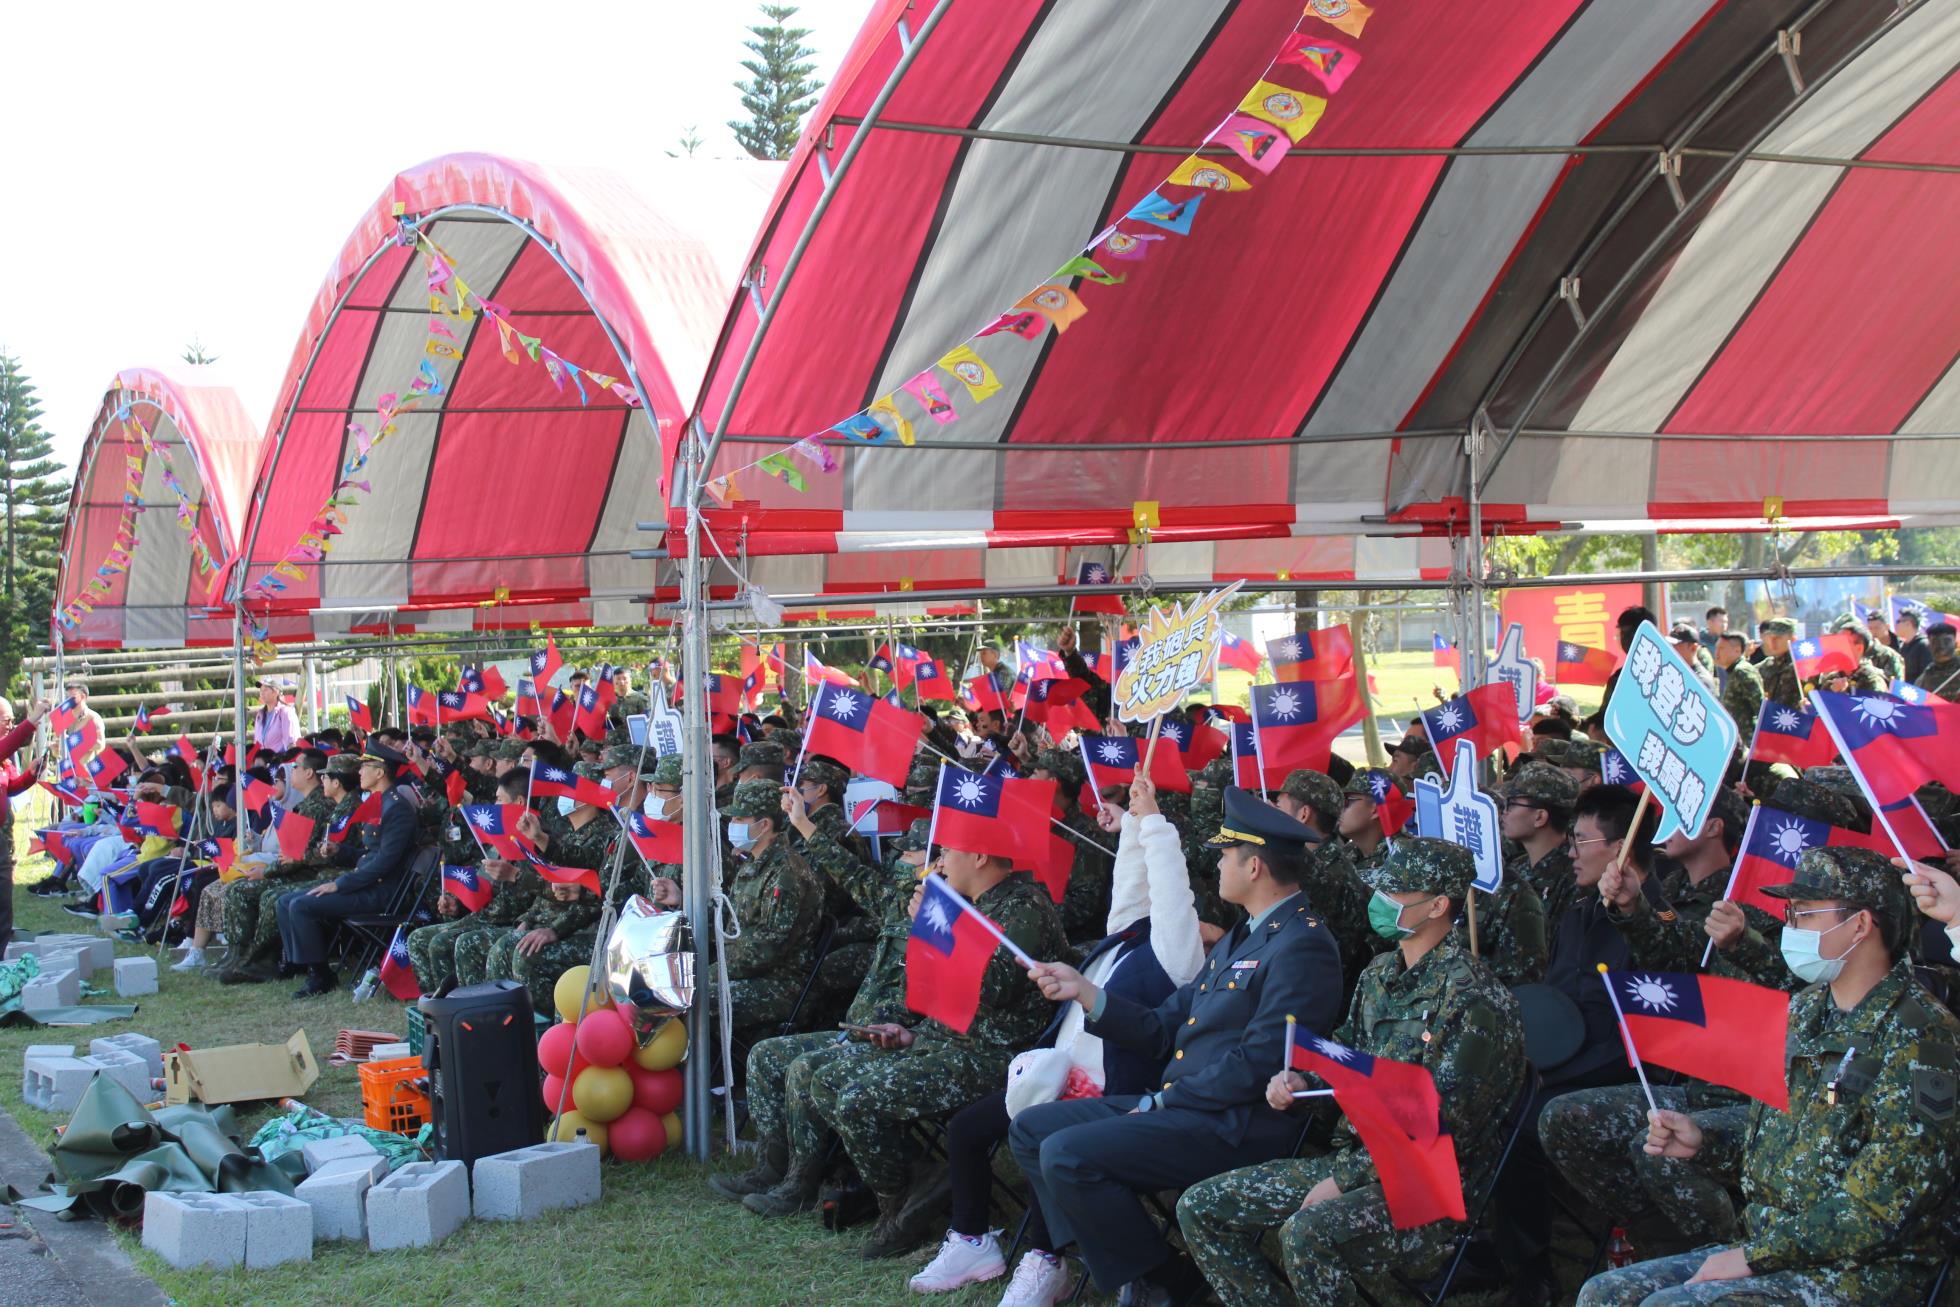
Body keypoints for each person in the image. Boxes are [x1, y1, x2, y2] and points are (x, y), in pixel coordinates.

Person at [1576, 846, 1960, 1306]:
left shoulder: (1920, 1038)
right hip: (1779, 1248)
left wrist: (1755, 1257)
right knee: (1606, 1293)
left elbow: (1883, 1209)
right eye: (1790, 913)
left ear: (1860, 924)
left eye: (1805, 914)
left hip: (1862, 1273)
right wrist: (1704, 1142)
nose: (1790, 928)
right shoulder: (1805, 1010)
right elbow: (1784, 1136)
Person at [1009, 789, 1345, 1305]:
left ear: (1254, 866)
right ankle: (1148, 1268)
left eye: (1225, 854)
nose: (1217, 863)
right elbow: (1165, 1026)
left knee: (1067, 1155)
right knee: (1032, 1129)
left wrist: (1162, 1101)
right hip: (1187, 1106)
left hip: (1236, 1123)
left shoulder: (1302, 944)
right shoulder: (1245, 935)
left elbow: (1261, 1064)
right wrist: (1086, 991)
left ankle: (1158, 1280)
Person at [1177, 838, 1526, 1307]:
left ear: (1438, 905)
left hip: (1430, 1186)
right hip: (1362, 1158)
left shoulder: (1474, 999)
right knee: (1200, 1207)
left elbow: (1437, 1126)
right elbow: (1346, 1060)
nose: (1378, 903)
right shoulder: (1380, 973)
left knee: (1306, 1234)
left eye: (1393, 893)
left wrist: (1343, 1178)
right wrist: (1303, 1082)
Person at [907, 771, 1205, 1299]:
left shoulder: (1177, 955)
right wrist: (1134, 822)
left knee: (1045, 1137)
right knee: (967, 1131)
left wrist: (1155, 822)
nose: (1152, 901)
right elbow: (1132, 884)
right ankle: (973, 1240)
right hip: (1057, 1075)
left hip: (1118, 1090)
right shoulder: (1127, 935)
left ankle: (1048, 1259)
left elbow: (1168, 889)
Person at [789, 806, 1065, 1258]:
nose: (938, 860)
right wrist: (911, 1031)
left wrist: (939, 928)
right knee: (826, 1080)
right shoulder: (970, 905)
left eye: (947, 850)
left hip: (996, 1058)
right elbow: (946, 992)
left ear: (978, 856)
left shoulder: (1025, 909)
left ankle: (907, 1204)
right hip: (944, 1042)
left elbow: (995, 987)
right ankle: (911, 1188)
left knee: (859, 1099)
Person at [274, 741, 419, 997]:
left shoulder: (396, 808)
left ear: (380, 772)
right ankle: (303, 965)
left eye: (366, 767)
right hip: (367, 882)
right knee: (285, 901)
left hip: (383, 891)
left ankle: (320, 976)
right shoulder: (381, 802)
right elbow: (370, 854)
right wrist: (340, 852)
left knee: (301, 905)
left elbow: (385, 863)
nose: (360, 772)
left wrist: (340, 884)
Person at [1274, 769, 1374, 989]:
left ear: (1304, 814)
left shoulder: (1336, 873)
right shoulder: (1306, 864)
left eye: (1279, 807)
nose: (1274, 813)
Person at [0, 697, 50, 943]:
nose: (10, 725)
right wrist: (33, 719)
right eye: (6, 720)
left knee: (4, 899)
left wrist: (31, 774)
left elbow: (11, 787)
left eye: (12, 721)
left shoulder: (5, 759)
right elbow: (5, 746)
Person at [1711, 632, 1761, 738]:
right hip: (1736, 739)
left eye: (1722, 648)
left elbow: (1760, 707)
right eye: (1716, 648)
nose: (1717, 653)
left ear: (1737, 650)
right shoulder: (1732, 672)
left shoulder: (1742, 671)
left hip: (1747, 740)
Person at [1754, 618, 1801, 710]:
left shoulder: (1802, 666)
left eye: (1778, 638)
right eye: (1770, 638)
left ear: (1792, 639)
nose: (1773, 642)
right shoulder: (1765, 666)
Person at [1912, 620, 1960, 703]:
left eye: (1946, 641)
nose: (1941, 645)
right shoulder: (1924, 678)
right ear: (1928, 646)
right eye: (1935, 641)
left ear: (1956, 644)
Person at [251, 678, 302, 754]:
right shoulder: (260, 715)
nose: (262, 693)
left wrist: (291, 760)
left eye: (265, 690)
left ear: (276, 692)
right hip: (265, 761)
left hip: (281, 760)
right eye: (261, 690)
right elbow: (257, 742)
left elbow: (292, 740)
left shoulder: (286, 712)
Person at [1895, 608, 1931, 683]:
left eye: (1898, 622)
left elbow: (1926, 675)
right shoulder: (1903, 647)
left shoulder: (1924, 645)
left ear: (1908, 623)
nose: (1896, 625)